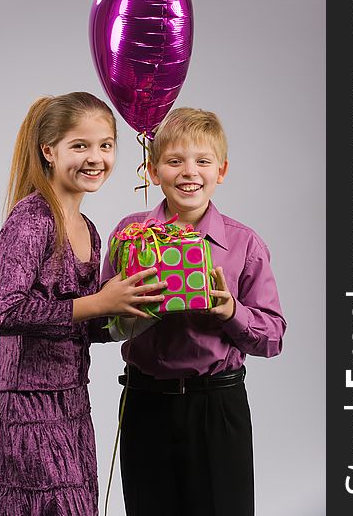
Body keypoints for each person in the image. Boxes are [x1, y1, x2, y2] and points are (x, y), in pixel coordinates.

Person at [0, 91, 166, 516]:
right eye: (80, 145)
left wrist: (138, 312)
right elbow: (5, 312)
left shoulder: (89, 228)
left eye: (105, 145)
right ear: (49, 150)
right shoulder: (31, 220)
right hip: (25, 405)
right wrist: (100, 301)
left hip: (71, 401)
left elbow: (82, 323)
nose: (95, 158)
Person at [101, 107, 287, 516]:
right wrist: (128, 310)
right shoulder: (128, 236)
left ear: (220, 171)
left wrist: (231, 312)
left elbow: (273, 337)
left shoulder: (245, 244)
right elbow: (102, 323)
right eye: (174, 161)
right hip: (144, 401)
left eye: (202, 161)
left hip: (216, 407)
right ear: (153, 171)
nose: (189, 172)